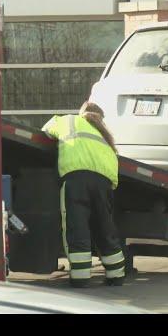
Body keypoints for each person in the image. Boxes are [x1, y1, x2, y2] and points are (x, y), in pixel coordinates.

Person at [42, 101, 125, 288]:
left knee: (76, 226)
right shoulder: (106, 137)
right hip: (104, 184)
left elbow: (46, 130)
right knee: (105, 228)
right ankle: (117, 275)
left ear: (82, 112)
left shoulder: (69, 120)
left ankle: (80, 278)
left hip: (76, 180)